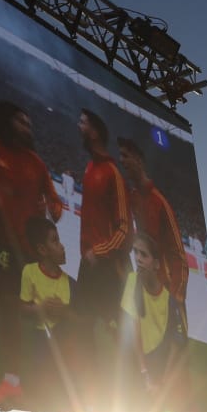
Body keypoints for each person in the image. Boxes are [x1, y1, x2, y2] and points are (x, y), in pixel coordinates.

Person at [0, 101, 62, 392]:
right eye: (22, 122)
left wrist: (51, 207)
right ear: (8, 123)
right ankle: (10, 378)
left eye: (29, 124)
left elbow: (55, 202)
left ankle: (29, 376)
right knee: (8, 310)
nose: (27, 128)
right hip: (6, 247)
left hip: (33, 253)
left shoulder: (36, 162)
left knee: (37, 315)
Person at [11, 215, 75, 410]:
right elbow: (22, 308)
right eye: (55, 241)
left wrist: (64, 312)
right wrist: (40, 309)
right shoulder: (30, 272)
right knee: (40, 391)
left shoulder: (69, 281)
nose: (62, 246)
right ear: (42, 249)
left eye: (59, 240)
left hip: (65, 345)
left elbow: (81, 319)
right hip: (39, 342)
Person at [75, 109, 131, 327]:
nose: (78, 126)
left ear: (94, 132)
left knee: (110, 327)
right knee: (82, 325)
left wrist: (98, 252)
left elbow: (124, 227)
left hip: (105, 266)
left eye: (82, 123)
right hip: (88, 261)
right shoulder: (90, 167)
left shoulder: (112, 172)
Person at [119, 136, 187, 301]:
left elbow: (179, 257)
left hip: (166, 288)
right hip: (146, 286)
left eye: (126, 156)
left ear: (140, 161)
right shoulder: (133, 197)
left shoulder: (160, 203)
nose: (122, 161)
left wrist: (175, 297)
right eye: (120, 156)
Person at [120, 228, 187, 395]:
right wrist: (145, 375)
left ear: (156, 264)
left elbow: (176, 343)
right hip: (141, 366)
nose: (138, 259)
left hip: (159, 367)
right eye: (135, 253)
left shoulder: (169, 300)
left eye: (144, 255)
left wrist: (163, 380)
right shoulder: (132, 281)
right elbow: (134, 331)